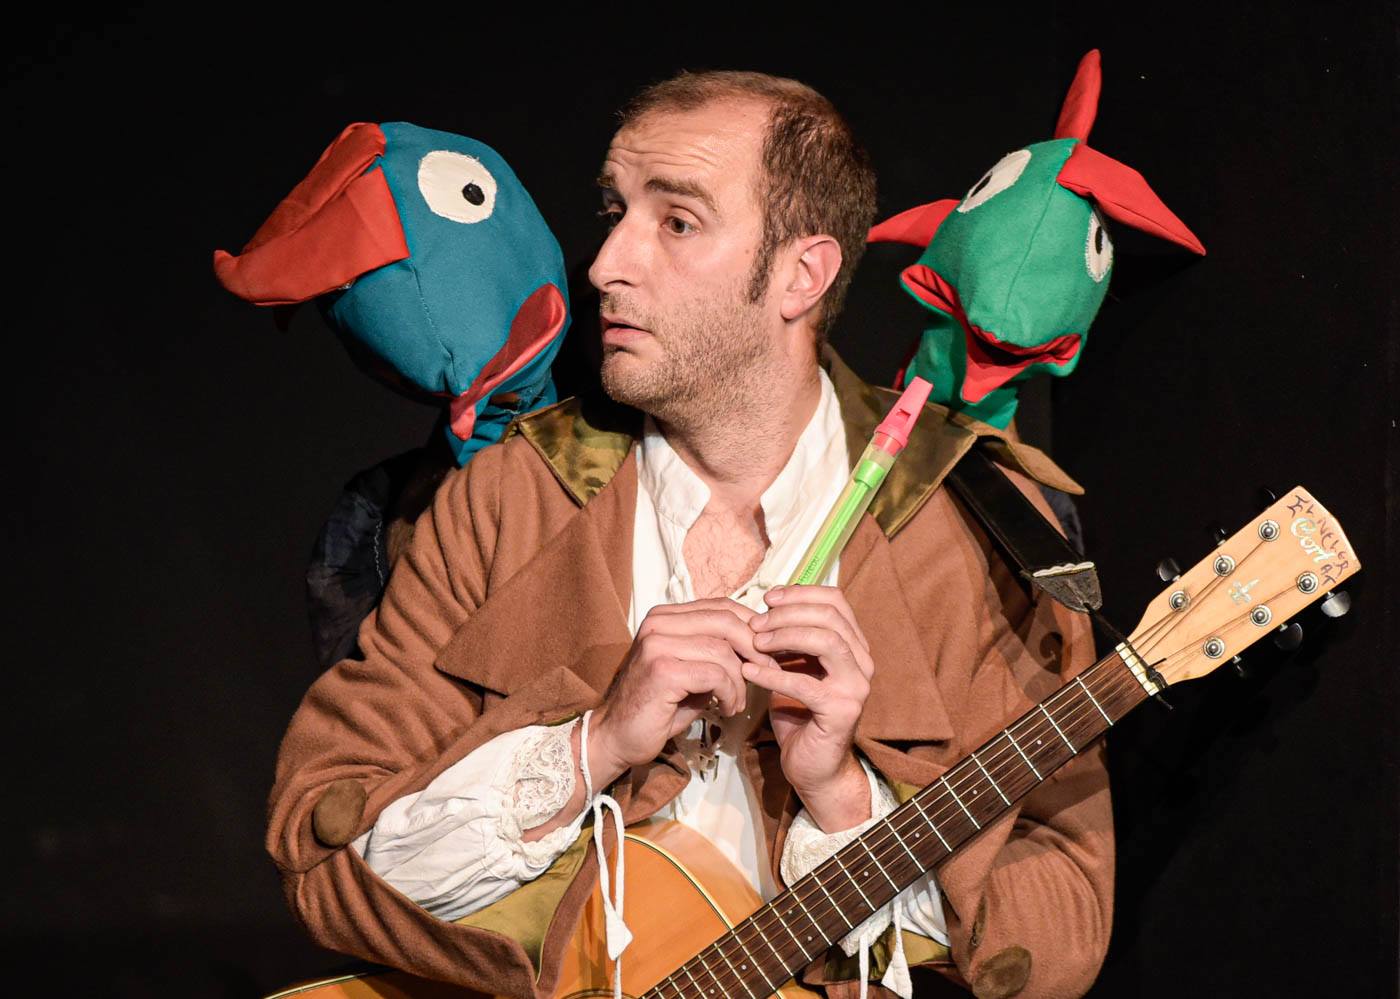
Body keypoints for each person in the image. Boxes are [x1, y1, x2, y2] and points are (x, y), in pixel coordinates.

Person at [267, 70, 1113, 999]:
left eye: (676, 221)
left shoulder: (979, 530)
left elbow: (1064, 930)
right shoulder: (510, 495)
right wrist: (591, 744)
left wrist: (845, 801)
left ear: (802, 275)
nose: (605, 265)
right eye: (615, 210)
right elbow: (323, 854)